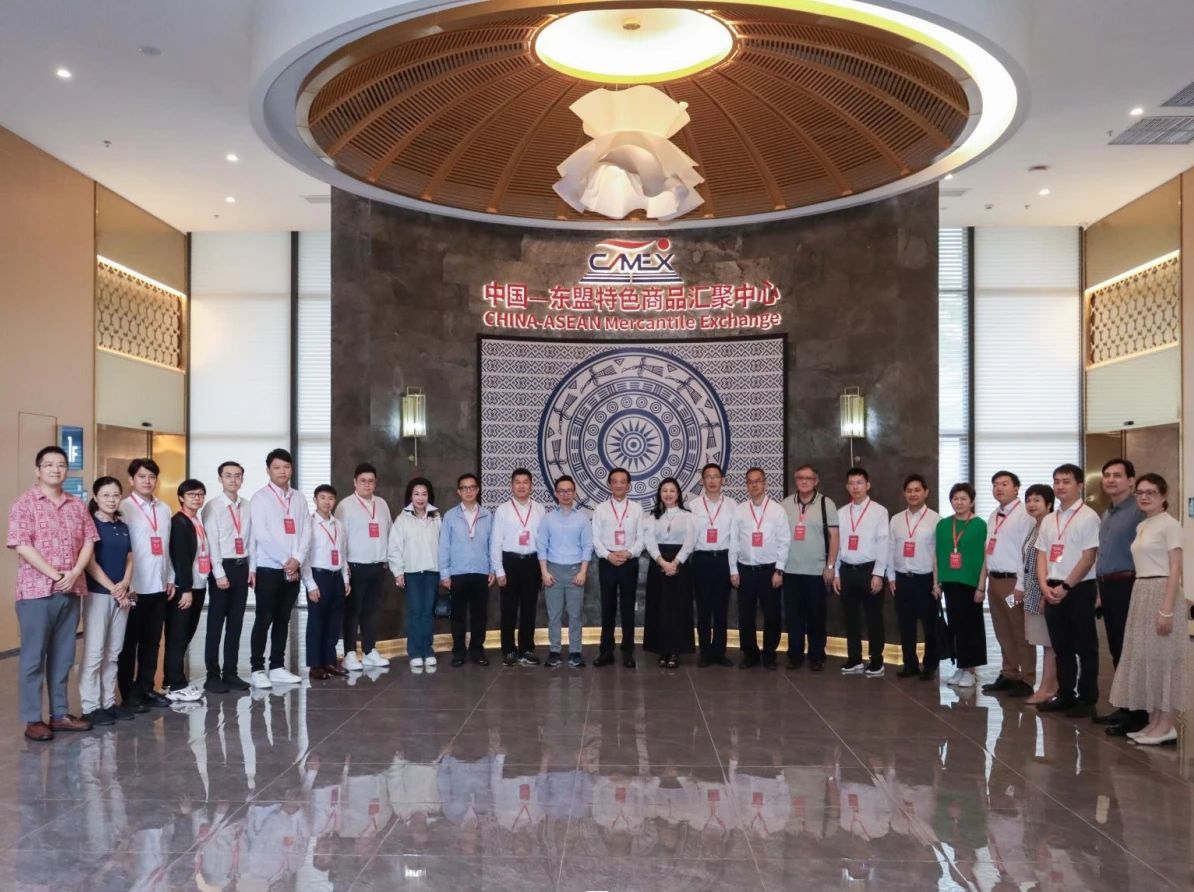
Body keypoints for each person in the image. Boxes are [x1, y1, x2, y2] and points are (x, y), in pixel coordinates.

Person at [6, 445, 99, 740]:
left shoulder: (77, 505)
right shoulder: (24, 504)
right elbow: (22, 545)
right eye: (49, 465)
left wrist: (74, 572)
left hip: (71, 589)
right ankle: (33, 719)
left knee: (64, 656)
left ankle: (60, 714)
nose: (56, 469)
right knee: (34, 658)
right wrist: (56, 575)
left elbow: (89, 541)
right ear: (38, 470)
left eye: (61, 465)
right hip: (36, 592)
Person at [1110, 473, 1187, 746]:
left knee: (1165, 660)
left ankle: (1167, 725)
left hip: (1161, 591)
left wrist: (1167, 608)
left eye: (1151, 492)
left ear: (1163, 496)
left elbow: (1175, 568)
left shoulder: (1170, 524)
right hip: (1142, 590)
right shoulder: (1144, 525)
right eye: (1140, 492)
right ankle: (1155, 721)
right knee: (1148, 658)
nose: (1144, 497)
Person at [1035, 463, 1101, 717]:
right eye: (1057, 481)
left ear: (1080, 485)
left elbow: (1088, 557)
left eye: (1066, 481)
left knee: (1085, 646)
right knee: (1060, 645)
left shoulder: (1088, 516)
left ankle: (1087, 698)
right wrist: (1044, 585)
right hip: (1052, 586)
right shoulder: (1049, 519)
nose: (1060, 486)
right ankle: (1065, 694)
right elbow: (1042, 554)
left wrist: (1066, 586)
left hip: (1079, 587)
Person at [247, 448, 310, 689]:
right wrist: (287, 561)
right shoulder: (260, 498)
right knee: (264, 618)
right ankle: (256, 668)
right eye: (277, 467)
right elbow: (261, 534)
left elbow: (307, 530)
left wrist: (298, 558)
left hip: (292, 569)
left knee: (284, 618)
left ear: (291, 469)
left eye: (286, 467)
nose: (282, 471)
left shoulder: (299, 498)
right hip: (269, 568)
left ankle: (277, 666)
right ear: (268, 470)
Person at [1093, 458, 1148, 735]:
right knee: (1117, 648)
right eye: (1107, 475)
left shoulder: (1139, 511)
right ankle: (1125, 706)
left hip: (1129, 585)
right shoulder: (1108, 512)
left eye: (1117, 475)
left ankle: (1139, 714)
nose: (1111, 480)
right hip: (1109, 587)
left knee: (1132, 650)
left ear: (1131, 480)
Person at [118, 457, 174, 710]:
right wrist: (125, 584)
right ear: (131, 479)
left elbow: (166, 547)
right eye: (142, 476)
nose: (147, 481)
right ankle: (128, 692)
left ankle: (146, 687)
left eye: (152, 477)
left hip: (159, 585)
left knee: (152, 642)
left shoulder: (164, 508)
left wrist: (170, 577)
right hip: (134, 587)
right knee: (129, 644)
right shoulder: (123, 508)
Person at [977, 471, 1037, 697]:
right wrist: (983, 582)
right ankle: (1009, 672)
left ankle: (1027, 678)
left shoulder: (1025, 515)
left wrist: (1021, 585)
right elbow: (989, 550)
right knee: (1002, 629)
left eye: (1004, 484)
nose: (998, 488)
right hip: (995, 581)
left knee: (1020, 630)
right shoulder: (994, 514)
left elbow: (1026, 553)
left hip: (1013, 583)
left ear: (1016, 488)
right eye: (995, 485)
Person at [81, 476, 135, 725]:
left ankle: (108, 702)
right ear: (96, 497)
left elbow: (129, 558)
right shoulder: (90, 525)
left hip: (120, 595)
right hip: (98, 594)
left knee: (113, 652)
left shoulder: (122, 525)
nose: (111, 500)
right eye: (106, 495)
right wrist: (114, 588)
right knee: (95, 652)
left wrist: (124, 584)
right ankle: (90, 706)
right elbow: (90, 563)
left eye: (115, 495)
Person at [335, 462, 393, 671]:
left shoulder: (382, 504)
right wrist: (344, 568)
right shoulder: (345, 505)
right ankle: (350, 653)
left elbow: (389, 532)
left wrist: (388, 562)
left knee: (370, 611)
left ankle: (369, 651)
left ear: (375, 483)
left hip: (377, 566)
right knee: (353, 611)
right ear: (355, 482)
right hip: (354, 567)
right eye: (363, 481)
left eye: (371, 481)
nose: (367, 485)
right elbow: (338, 538)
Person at [200, 460, 253, 693]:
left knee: (236, 623)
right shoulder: (212, 507)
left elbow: (252, 539)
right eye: (228, 475)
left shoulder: (247, 505)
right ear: (220, 478)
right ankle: (212, 675)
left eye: (237, 475)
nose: (233, 479)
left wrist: (252, 569)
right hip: (222, 568)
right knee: (215, 624)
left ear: (242, 479)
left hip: (242, 567)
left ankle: (231, 673)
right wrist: (219, 572)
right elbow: (211, 542)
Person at [781, 464, 839, 672]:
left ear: (816, 481)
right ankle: (795, 656)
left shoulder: (826, 503)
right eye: (800, 478)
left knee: (816, 617)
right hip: (790, 570)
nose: (804, 481)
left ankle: (816, 656)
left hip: (816, 572)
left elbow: (834, 537)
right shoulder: (785, 504)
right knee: (793, 617)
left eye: (808, 478)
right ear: (795, 480)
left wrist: (830, 566)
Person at [833, 467, 890, 677]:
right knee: (851, 618)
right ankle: (854, 658)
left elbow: (883, 543)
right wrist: (836, 573)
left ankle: (876, 660)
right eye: (851, 483)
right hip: (847, 571)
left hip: (869, 570)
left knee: (874, 618)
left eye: (859, 483)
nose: (855, 487)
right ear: (847, 486)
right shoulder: (841, 512)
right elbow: (836, 544)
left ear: (868, 485)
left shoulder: (879, 511)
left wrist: (878, 573)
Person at [933, 483, 987, 688]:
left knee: (971, 627)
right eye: (955, 498)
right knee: (955, 626)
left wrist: (981, 587)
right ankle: (961, 666)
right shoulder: (943, 524)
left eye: (964, 498)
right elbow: (937, 555)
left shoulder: (980, 525)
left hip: (971, 583)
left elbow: (986, 558)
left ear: (971, 501)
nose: (959, 502)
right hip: (949, 582)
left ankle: (970, 670)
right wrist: (936, 582)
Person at [734, 467, 789, 670]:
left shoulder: (777, 510)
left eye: (758, 481)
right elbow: (734, 542)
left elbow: (784, 541)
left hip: (769, 571)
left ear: (765, 483)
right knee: (745, 615)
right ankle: (750, 654)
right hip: (745, 570)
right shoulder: (740, 510)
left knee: (772, 615)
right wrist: (733, 570)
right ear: (746, 485)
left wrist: (779, 570)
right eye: (750, 481)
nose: (754, 485)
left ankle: (769, 655)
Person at [490, 468, 546, 667]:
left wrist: (543, 568)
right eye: (517, 482)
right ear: (511, 485)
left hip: (532, 562)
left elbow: (543, 541)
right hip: (510, 562)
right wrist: (499, 570)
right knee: (508, 610)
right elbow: (496, 542)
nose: (521, 486)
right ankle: (509, 650)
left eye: (525, 482)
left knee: (529, 609)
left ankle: (526, 649)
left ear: (531, 485)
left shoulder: (540, 509)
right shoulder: (503, 510)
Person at [886, 475, 939, 680]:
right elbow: (890, 548)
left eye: (917, 490)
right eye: (909, 490)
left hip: (926, 580)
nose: (913, 494)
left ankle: (930, 665)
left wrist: (937, 582)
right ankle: (910, 664)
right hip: (902, 579)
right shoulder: (896, 519)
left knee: (929, 625)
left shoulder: (936, 520)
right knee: (905, 624)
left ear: (926, 492)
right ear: (904, 493)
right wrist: (891, 576)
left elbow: (939, 554)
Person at [439, 473, 495, 667]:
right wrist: (445, 573)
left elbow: (492, 545)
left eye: (472, 487)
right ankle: (459, 652)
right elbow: (444, 546)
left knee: (480, 615)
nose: (468, 491)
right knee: (458, 616)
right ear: (459, 491)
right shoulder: (450, 516)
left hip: (481, 571)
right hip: (458, 572)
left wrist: (492, 569)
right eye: (464, 488)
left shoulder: (487, 515)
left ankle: (477, 650)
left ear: (477, 490)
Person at [537, 474, 592, 669]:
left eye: (569, 491)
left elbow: (587, 547)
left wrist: (583, 572)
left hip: (576, 570)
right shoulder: (548, 518)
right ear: (556, 493)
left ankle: (575, 652)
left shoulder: (582, 519)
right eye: (562, 491)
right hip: (553, 570)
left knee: (575, 615)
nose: (566, 494)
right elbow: (542, 547)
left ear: (574, 493)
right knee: (554, 614)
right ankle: (554, 651)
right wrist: (544, 572)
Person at [592, 467, 644, 669]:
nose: (619, 485)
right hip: (608, 562)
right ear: (609, 484)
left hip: (629, 562)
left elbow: (642, 538)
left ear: (629, 485)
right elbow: (595, 538)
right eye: (615, 481)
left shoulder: (637, 509)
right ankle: (606, 651)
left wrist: (629, 553)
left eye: (623, 481)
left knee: (628, 608)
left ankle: (628, 652)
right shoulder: (601, 509)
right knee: (607, 607)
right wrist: (608, 555)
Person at [389, 477, 442, 672]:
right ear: (410, 496)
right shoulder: (402, 519)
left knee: (427, 612)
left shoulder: (436, 518)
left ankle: (427, 650)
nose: (420, 498)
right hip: (411, 572)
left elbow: (443, 545)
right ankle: (414, 652)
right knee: (415, 612)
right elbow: (394, 547)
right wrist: (398, 571)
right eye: (416, 494)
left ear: (429, 496)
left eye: (424, 494)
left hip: (432, 572)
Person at [165, 478, 210, 701]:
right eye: (192, 494)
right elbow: (181, 559)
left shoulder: (195, 521)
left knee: (186, 634)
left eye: (200, 494)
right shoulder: (179, 522)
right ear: (181, 497)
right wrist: (186, 589)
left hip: (198, 584)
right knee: (178, 635)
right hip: (186, 588)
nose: (197, 498)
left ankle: (170, 680)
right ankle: (176, 685)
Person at [643, 477, 696, 668]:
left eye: (672, 490)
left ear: (678, 494)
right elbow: (649, 542)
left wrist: (675, 563)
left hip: (680, 566)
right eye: (664, 490)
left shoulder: (688, 516)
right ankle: (661, 650)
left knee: (677, 608)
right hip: (658, 565)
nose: (668, 494)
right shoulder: (652, 517)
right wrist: (662, 562)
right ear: (659, 494)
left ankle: (675, 651)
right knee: (659, 607)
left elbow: (690, 542)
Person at [1012, 484, 1057, 705]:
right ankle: (1049, 686)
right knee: (1043, 641)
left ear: (1049, 504)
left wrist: (1043, 593)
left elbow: (1053, 563)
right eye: (1029, 500)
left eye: (1037, 500)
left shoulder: (1051, 527)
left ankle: (1047, 688)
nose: (1031, 504)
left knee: (1050, 643)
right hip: (1031, 591)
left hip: (1045, 592)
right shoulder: (1035, 527)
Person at [690, 463, 738, 668]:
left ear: (722, 480)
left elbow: (735, 538)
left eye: (715, 476)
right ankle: (705, 652)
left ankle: (719, 651)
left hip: (723, 560)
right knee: (703, 608)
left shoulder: (732, 505)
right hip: (701, 559)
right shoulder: (693, 506)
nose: (712, 480)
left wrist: (733, 567)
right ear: (702, 481)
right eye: (708, 477)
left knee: (721, 608)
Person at [303, 484, 350, 680]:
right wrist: (310, 584)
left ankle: (330, 662)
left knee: (334, 622)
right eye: (322, 498)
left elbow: (343, 553)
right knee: (317, 621)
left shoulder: (338, 525)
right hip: (318, 576)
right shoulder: (308, 524)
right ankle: (315, 665)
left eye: (330, 498)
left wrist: (345, 579)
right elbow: (304, 556)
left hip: (336, 576)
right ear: (315, 500)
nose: (327, 502)